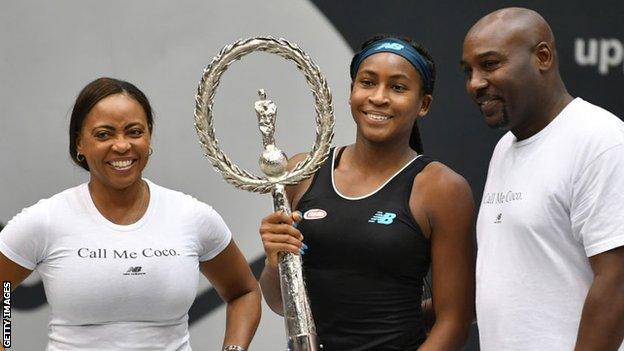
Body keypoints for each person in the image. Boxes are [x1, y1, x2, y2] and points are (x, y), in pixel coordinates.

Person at [0, 77, 260, 351]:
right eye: (104, 134)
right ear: (79, 143)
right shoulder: (46, 220)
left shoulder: (191, 216)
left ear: (149, 136)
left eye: (134, 132)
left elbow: (244, 292)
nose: (121, 145)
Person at [259, 35, 475, 350]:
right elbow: (282, 304)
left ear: (424, 104)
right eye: (368, 83)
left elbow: (454, 321)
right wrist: (272, 260)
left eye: (398, 87)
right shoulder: (302, 172)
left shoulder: (441, 188)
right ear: (351, 92)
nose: (379, 97)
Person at [461, 7, 624, 351]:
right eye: (469, 71)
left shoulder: (601, 139)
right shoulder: (505, 147)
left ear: (543, 57)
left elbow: (618, 281)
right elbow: (516, 280)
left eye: (490, 65)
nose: (475, 83)